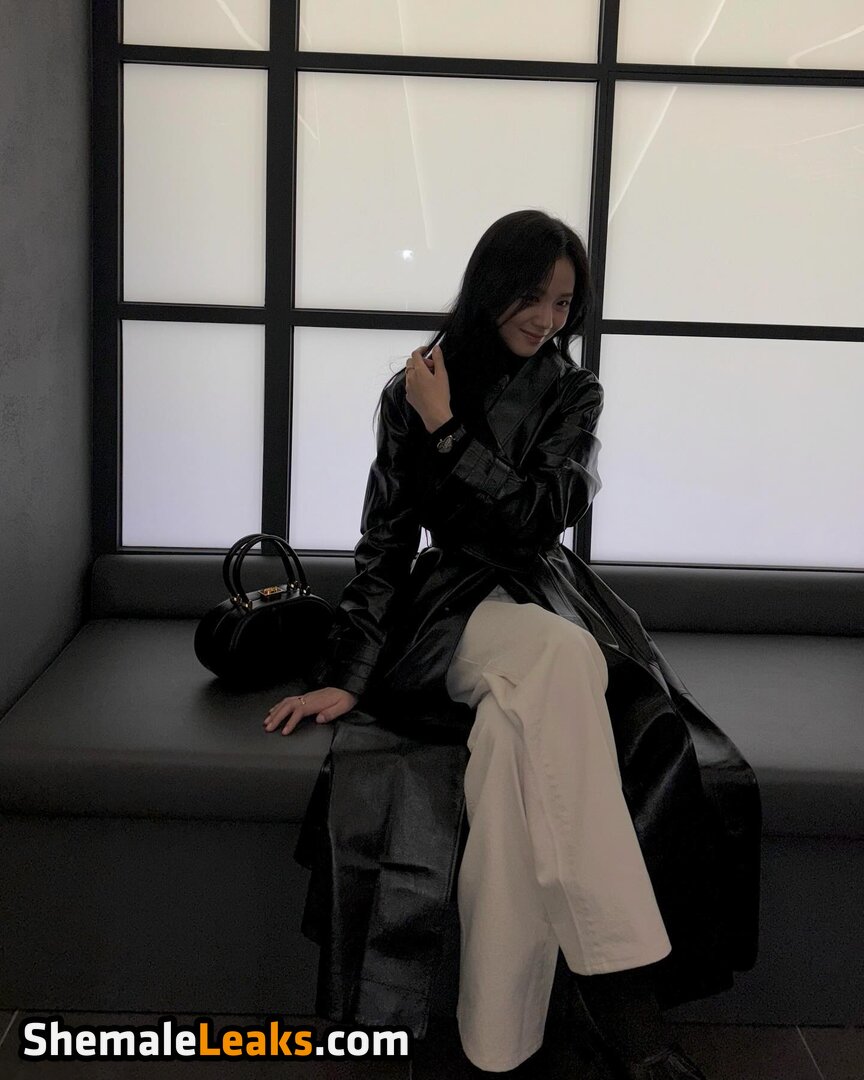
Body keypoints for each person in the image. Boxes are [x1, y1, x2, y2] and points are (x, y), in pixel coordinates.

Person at [264, 210, 760, 1078]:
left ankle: (497, 1044)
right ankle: (624, 994)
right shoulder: (413, 389)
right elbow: (385, 542)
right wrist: (351, 672)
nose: (548, 319)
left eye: (565, 304)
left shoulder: (574, 392)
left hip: (546, 593)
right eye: (533, 297)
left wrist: (450, 432)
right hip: (447, 611)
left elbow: (540, 516)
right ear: (491, 287)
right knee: (564, 662)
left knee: (507, 749)